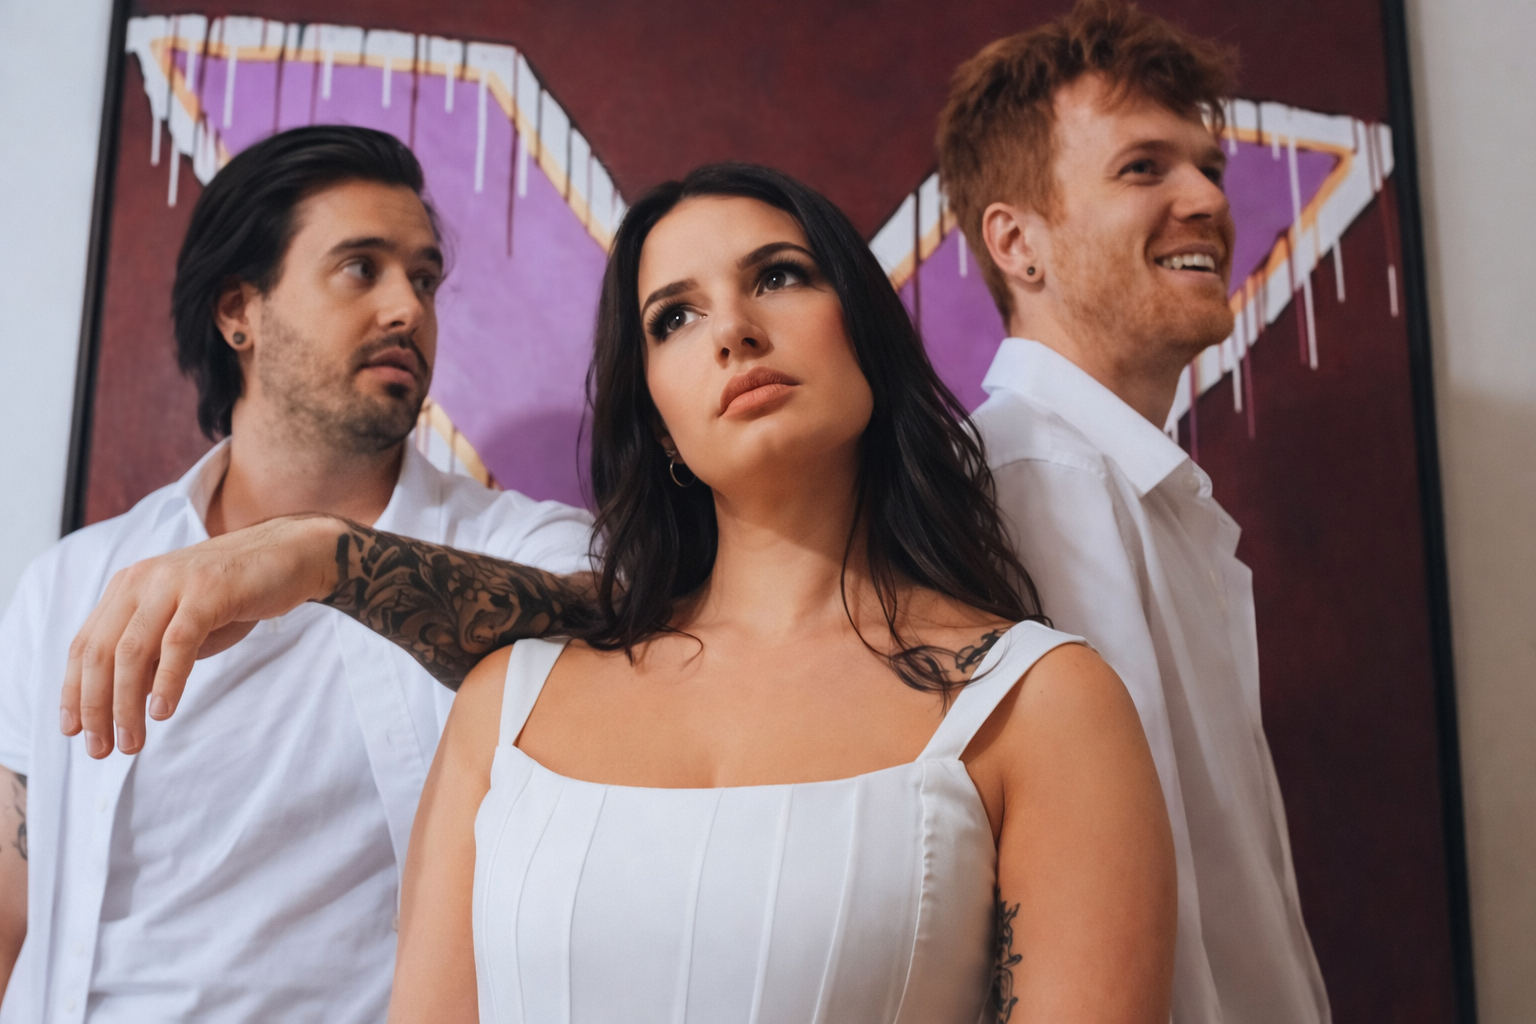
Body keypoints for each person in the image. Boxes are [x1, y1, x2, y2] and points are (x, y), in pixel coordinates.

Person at [59, 164, 1179, 1022]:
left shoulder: (1040, 703)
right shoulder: (509, 704)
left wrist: (321, 558)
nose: (734, 328)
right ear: (659, 418)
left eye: (779, 275)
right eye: (673, 317)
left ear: (867, 339)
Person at [0, 125, 592, 1022]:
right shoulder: (71, 583)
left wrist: (325, 561)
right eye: (361, 268)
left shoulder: (524, 545)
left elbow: (606, 620)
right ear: (239, 312)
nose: (407, 309)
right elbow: (14, 901)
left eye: (424, 279)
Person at [935, 2, 1331, 1022]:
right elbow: (1115, 917)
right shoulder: (1039, 483)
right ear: (1018, 243)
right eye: (1143, 168)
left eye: (1207, 167)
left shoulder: (1123, 486)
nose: (1208, 199)